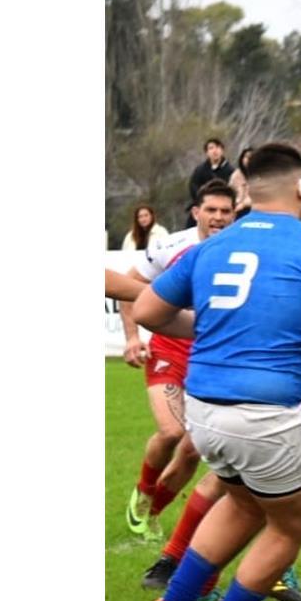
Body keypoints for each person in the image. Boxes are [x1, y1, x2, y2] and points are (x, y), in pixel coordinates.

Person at [135, 142, 301, 601]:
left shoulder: (212, 246)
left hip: (205, 410)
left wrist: (210, 328)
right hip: (264, 414)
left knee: (242, 501)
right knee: (289, 522)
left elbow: (150, 311)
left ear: (248, 190)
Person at [118, 181, 237, 541]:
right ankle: (143, 490)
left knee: (192, 449)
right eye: (211, 210)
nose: (218, 217)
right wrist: (132, 337)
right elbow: (128, 285)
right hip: (169, 350)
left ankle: (154, 511)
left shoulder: (242, 249)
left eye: (225, 211)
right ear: (196, 212)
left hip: (213, 358)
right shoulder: (172, 248)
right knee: (172, 432)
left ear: (235, 215)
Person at [186, 139, 235, 228]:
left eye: (217, 147)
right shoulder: (200, 169)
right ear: (207, 152)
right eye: (211, 148)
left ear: (222, 151)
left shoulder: (230, 170)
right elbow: (193, 185)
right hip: (201, 203)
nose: (214, 151)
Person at [228, 146, 255, 218]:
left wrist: (243, 205)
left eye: (251, 157)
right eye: (246, 157)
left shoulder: (260, 175)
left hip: (253, 208)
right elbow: (230, 192)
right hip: (237, 207)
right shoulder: (236, 175)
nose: (248, 160)